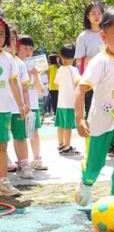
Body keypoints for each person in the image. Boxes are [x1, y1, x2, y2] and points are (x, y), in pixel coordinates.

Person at [74, 7, 114, 224]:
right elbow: (81, 88)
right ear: (103, 36)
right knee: (95, 164)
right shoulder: (99, 61)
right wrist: (79, 118)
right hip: (100, 122)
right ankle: (86, 182)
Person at [0, 18, 26, 196]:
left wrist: (21, 105)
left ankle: (3, 182)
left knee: (2, 147)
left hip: (4, 110)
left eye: (2, 33)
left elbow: (15, 84)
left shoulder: (9, 59)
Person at [6, 26, 33, 178]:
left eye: (13, 39)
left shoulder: (20, 63)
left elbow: (24, 87)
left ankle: (24, 164)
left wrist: (26, 104)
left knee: (20, 137)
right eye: (7, 38)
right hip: (3, 108)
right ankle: (5, 162)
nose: (10, 42)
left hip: (17, 108)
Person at [18, 35, 48, 170]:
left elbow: (39, 89)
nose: (29, 51)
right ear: (16, 49)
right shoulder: (15, 65)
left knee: (34, 132)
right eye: (25, 48)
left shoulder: (34, 68)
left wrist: (35, 77)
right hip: (19, 106)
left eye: (30, 48)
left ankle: (37, 159)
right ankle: (22, 161)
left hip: (33, 106)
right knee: (20, 135)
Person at [75, 2, 105, 119]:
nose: (97, 16)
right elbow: (78, 61)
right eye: (93, 13)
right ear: (87, 16)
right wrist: (98, 56)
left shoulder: (107, 33)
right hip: (91, 80)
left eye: (99, 13)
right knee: (92, 112)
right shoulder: (83, 36)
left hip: (107, 78)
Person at [54, 44, 81, 155]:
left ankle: (61, 145)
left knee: (61, 125)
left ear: (61, 57)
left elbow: (56, 85)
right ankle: (67, 146)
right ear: (74, 57)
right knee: (68, 126)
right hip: (70, 103)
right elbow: (78, 83)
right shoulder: (73, 70)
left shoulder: (60, 69)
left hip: (61, 103)